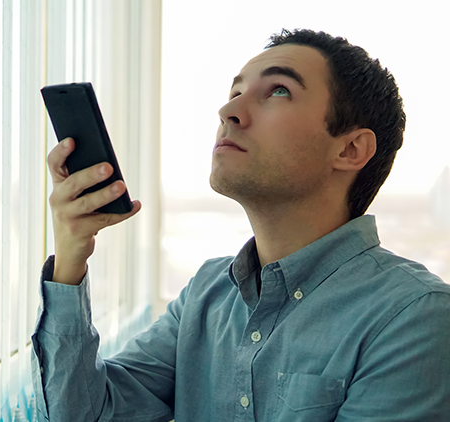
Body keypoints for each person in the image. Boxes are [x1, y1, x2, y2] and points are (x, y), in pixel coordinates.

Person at [30, 28, 450, 422]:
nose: (228, 110)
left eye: (278, 91)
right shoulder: (207, 294)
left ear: (351, 148)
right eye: (234, 92)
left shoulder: (416, 317)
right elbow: (85, 413)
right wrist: (71, 255)